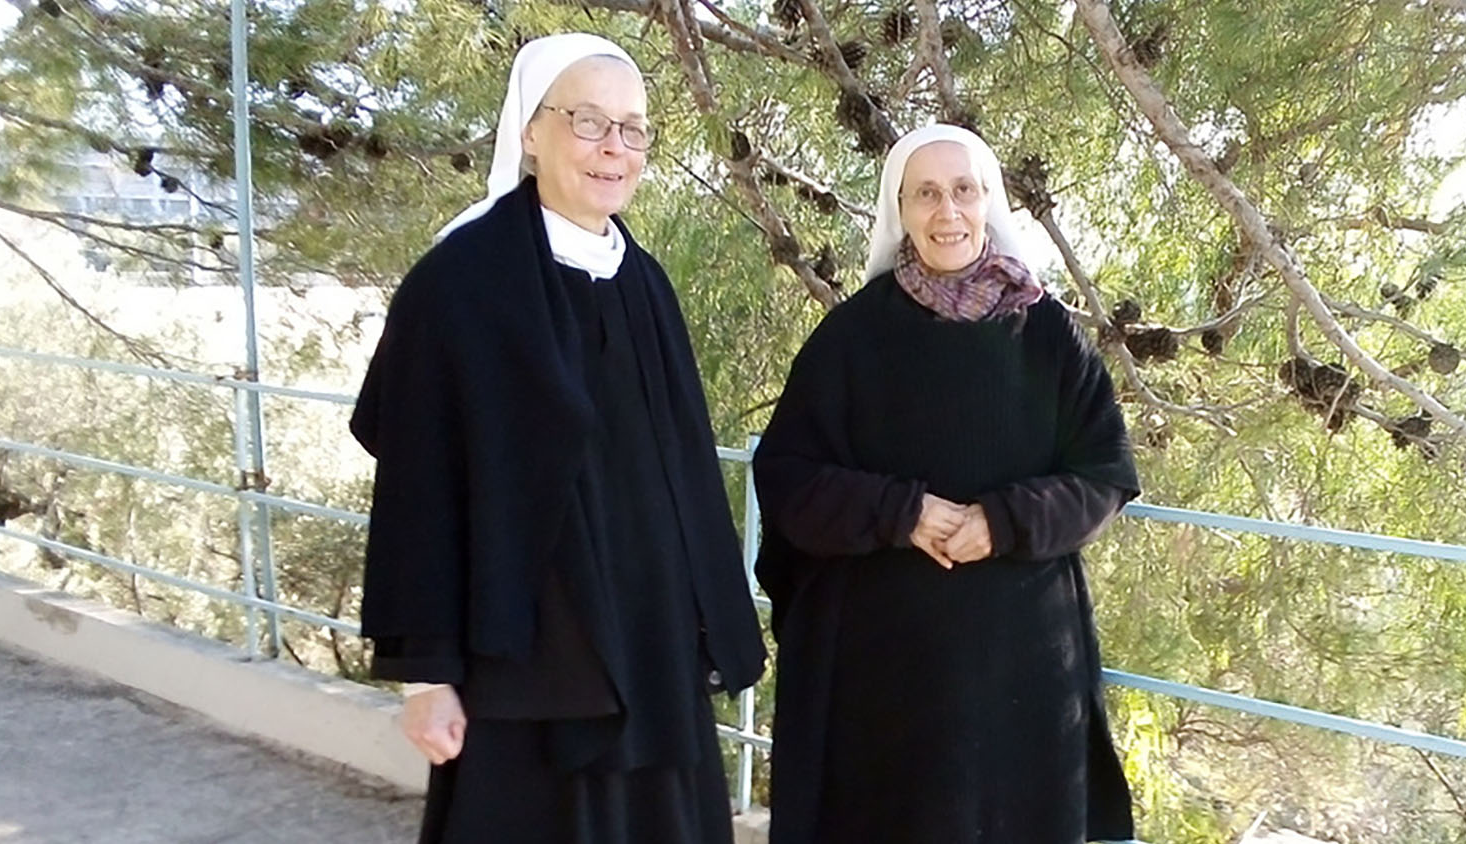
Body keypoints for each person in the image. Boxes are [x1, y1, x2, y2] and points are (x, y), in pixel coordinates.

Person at [350, 32, 763, 844]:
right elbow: (418, 487)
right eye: (587, 121)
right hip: (526, 667)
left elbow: (679, 475)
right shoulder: (462, 284)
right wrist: (425, 675)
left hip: (654, 657)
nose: (615, 148)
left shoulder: (643, 281)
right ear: (529, 133)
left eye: (633, 128)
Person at [752, 124, 1140, 844]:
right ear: (900, 208)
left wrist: (1004, 520)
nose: (948, 212)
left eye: (964, 190)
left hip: (1021, 670)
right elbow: (788, 478)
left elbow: (1105, 474)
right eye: (926, 194)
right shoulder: (850, 339)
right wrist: (901, 513)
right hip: (884, 681)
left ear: (989, 201)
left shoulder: (1048, 333)